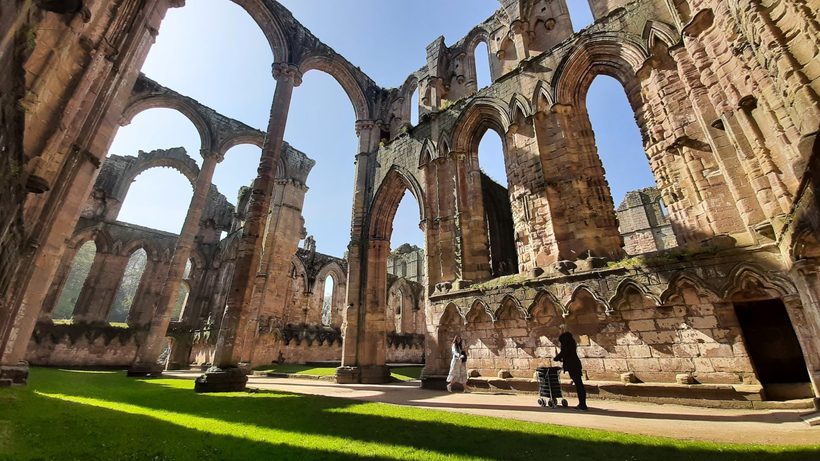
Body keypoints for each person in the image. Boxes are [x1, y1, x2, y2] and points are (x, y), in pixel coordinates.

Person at [554, 331, 588, 410]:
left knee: (579, 384)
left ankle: (582, 405)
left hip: (572, 365)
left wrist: (557, 358)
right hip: (575, 364)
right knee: (579, 384)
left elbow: (564, 352)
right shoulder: (572, 343)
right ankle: (582, 404)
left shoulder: (567, 344)